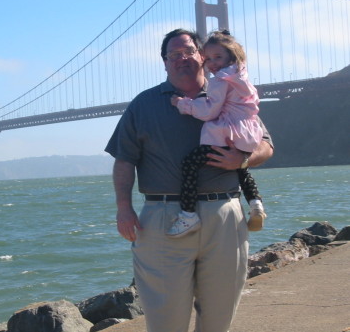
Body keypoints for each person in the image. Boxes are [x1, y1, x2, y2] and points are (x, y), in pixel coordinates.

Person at [105, 28, 273, 332]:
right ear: (165, 63)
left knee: (218, 320)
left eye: (188, 52)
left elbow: (265, 144)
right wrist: (124, 208)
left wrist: (243, 160)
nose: (182, 59)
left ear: (203, 57)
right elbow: (124, 160)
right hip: (164, 218)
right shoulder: (144, 105)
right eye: (174, 55)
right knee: (165, 322)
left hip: (224, 215)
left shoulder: (231, 89)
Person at [167, 29, 266, 238]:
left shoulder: (220, 80)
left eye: (218, 57)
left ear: (231, 55)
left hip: (226, 131)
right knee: (240, 168)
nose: (212, 63)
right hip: (247, 134)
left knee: (190, 163)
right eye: (208, 58)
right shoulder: (241, 75)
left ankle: (188, 214)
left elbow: (209, 111)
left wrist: (182, 104)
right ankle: (255, 203)